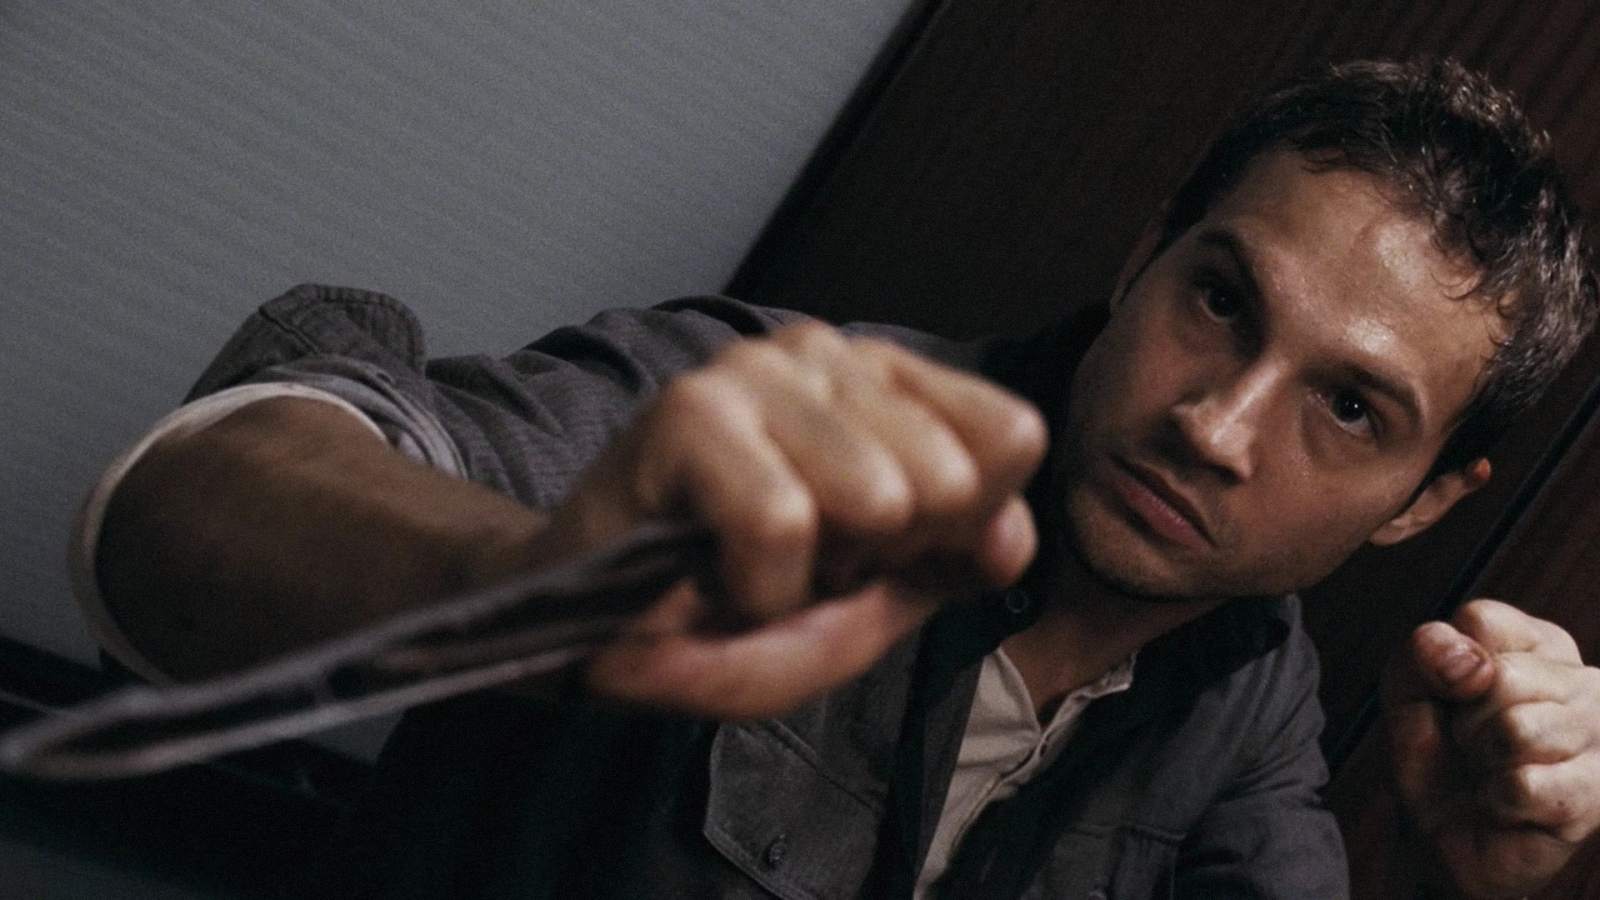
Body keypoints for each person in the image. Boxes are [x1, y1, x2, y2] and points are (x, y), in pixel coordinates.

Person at [78, 59, 1600, 898]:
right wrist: (524, 594)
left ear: (1426, 499)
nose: (1217, 426)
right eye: (1218, 299)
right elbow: (194, 505)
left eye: (1350, 408)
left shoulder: (1248, 690)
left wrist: (1457, 886)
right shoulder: (796, 413)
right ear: (1142, 256)